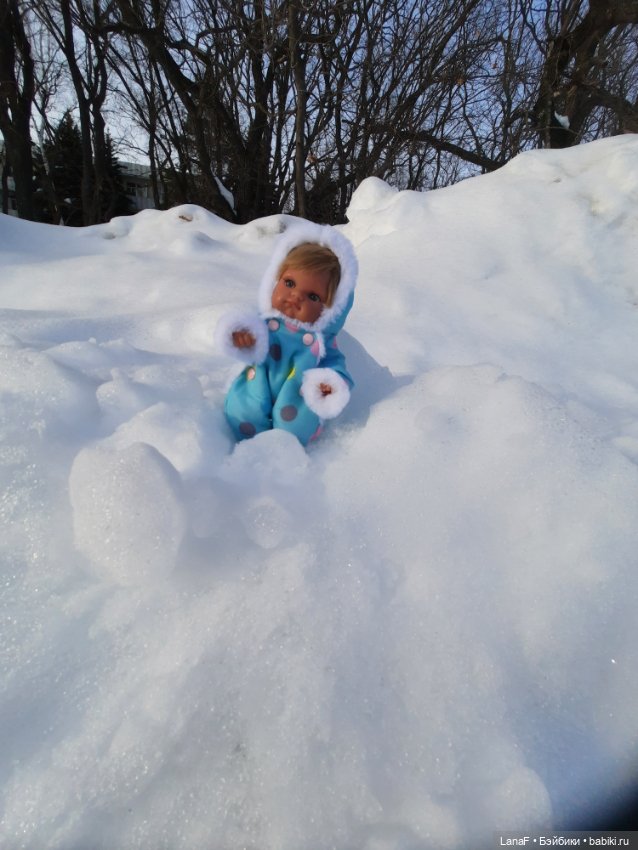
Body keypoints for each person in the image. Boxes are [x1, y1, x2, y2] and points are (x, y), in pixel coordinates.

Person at [215, 221, 358, 446]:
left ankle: (284, 447)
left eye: (312, 296)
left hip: (296, 395)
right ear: (274, 280)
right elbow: (248, 332)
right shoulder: (266, 323)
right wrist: (243, 337)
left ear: (331, 310)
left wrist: (329, 383)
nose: (295, 296)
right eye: (289, 283)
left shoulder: (321, 342)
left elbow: (336, 365)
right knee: (242, 407)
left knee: (296, 423)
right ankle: (246, 441)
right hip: (258, 383)